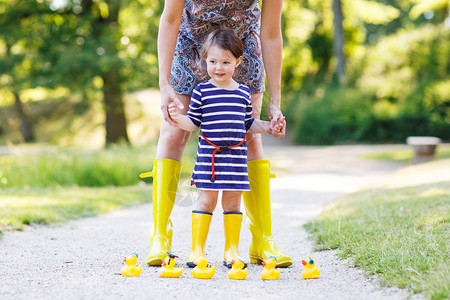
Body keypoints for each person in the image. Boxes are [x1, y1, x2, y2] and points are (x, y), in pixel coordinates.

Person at [146, 0, 292, 267]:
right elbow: (169, 19)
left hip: (241, 48)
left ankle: (263, 239)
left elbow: (270, 32)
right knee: (174, 132)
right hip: (192, 43)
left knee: (248, 136)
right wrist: (164, 83)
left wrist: (275, 101)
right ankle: (160, 236)